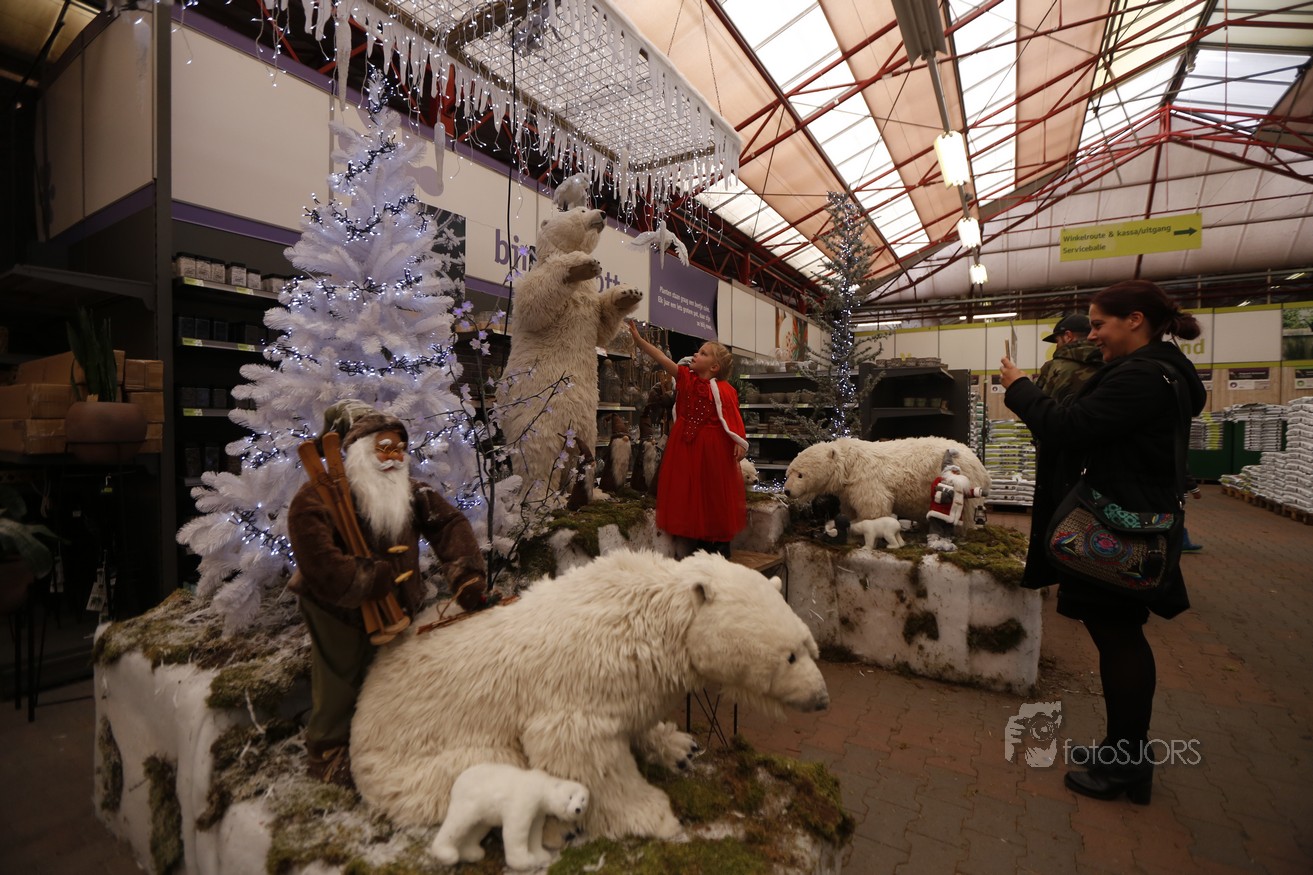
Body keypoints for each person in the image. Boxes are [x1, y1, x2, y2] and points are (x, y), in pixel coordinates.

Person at [999, 280, 1206, 805]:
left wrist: (1020, 387)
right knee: (1119, 635)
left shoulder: (1141, 377)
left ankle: (1127, 764)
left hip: (1117, 527)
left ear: (1135, 320)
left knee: (1119, 638)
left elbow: (1068, 427)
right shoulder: (1163, 372)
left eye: (1098, 325)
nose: (1091, 336)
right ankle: (1122, 752)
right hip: (1133, 518)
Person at [286, 404, 491, 787]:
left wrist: (466, 576)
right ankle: (327, 751)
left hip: (395, 605)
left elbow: (448, 524)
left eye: (399, 449)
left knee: (386, 673)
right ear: (360, 450)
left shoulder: (412, 492)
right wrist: (362, 578)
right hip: (335, 607)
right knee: (341, 677)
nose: (394, 456)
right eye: (384, 447)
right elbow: (315, 553)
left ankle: (380, 740)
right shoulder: (320, 495)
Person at [627, 320, 749, 557]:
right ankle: (696, 542)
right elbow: (661, 358)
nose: (696, 354)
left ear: (714, 367)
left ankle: (718, 544)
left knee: (713, 493)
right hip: (686, 445)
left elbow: (732, 416)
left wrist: (738, 441)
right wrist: (640, 342)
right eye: (698, 351)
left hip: (713, 449)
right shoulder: (685, 377)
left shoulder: (724, 390)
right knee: (690, 492)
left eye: (703, 353)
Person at [1035, 313, 1103, 404]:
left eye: (1057, 341)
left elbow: (1038, 404)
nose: (1057, 346)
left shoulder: (1052, 367)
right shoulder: (1109, 362)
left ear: (1068, 336)